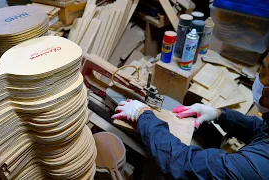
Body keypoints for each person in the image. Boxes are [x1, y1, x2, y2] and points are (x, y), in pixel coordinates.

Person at [111, 54, 269, 179]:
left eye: (263, 72)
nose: (259, 78)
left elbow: (183, 164)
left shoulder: (256, 167)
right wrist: (220, 114)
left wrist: (144, 116)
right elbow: (262, 129)